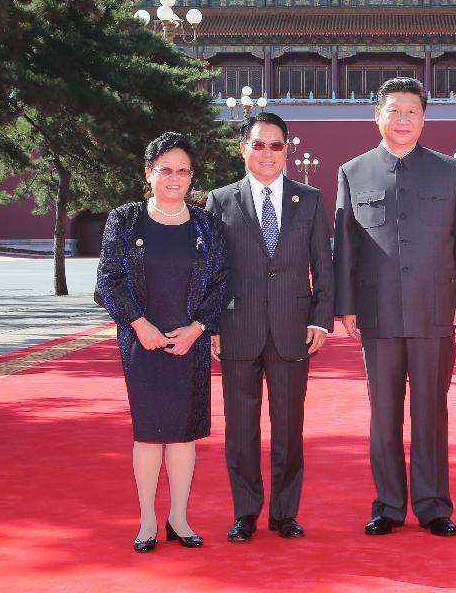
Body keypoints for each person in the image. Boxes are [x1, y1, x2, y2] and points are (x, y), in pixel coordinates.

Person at [333, 77, 456, 538]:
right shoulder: (353, 172)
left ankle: (434, 505)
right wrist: (346, 305)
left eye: (412, 112)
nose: (402, 120)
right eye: (394, 111)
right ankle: (389, 505)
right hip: (377, 314)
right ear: (376, 116)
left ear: (424, 119)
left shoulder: (447, 171)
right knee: (384, 415)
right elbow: (345, 246)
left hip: (434, 310)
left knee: (430, 411)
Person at [206, 112, 334, 542]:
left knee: (288, 426)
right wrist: (211, 323)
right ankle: (245, 512)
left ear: (287, 150)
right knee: (241, 428)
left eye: (276, 145)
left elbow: (324, 267)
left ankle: (284, 513)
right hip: (237, 327)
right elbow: (212, 271)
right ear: (243, 148)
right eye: (258, 144)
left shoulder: (310, 200)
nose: (267, 153)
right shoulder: (221, 201)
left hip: (292, 329)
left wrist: (321, 318)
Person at [96, 132, 226, 553]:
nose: (175, 178)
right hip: (142, 342)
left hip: (191, 342)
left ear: (192, 177)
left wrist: (198, 328)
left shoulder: (208, 223)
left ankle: (179, 517)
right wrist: (139, 324)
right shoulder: (125, 219)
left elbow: (222, 283)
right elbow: (109, 280)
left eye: (183, 170)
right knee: (150, 433)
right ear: (148, 173)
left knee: (184, 434)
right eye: (165, 169)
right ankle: (148, 519)